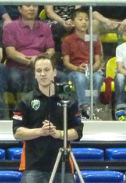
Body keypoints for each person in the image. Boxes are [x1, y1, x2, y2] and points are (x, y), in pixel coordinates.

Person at [13, 54, 84, 182]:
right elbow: (17, 132)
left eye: (46, 70)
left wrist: (58, 134)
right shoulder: (25, 101)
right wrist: (41, 131)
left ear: (54, 72)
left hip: (63, 166)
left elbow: (78, 132)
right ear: (34, 74)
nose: (42, 74)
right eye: (38, 71)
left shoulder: (68, 101)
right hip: (34, 166)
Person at [4, 0, 55, 95]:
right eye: (28, 5)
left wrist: (39, 61)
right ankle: (22, 103)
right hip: (17, 66)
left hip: (42, 66)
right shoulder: (10, 27)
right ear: (20, 9)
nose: (32, 8)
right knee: (15, 78)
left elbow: (51, 50)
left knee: (61, 76)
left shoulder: (45, 27)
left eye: (35, 6)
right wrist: (32, 61)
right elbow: (11, 53)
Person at [61, 8, 104, 120]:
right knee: (80, 78)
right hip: (75, 71)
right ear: (73, 22)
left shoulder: (94, 39)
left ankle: (91, 107)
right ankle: (85, 107)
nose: (84, 22)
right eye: (80, 19)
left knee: (98, 78)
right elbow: (66, 63)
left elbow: (98, 60)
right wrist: (78, 68)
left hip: (91, 70)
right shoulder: (68, 40)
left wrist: (92, 68)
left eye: (86, 19)